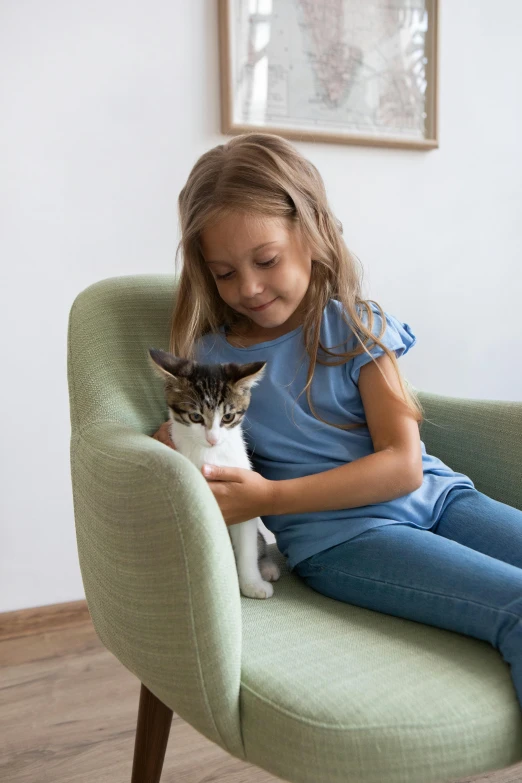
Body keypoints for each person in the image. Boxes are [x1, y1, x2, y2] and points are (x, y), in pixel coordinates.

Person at [152, 132, 522, 712]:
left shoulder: (357, 326)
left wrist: (268, 495)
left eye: (265, 260)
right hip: (343, 542)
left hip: (443, 500)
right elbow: (188, 445)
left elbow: (403, 466)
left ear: (313, 234)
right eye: (224, 273)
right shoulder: (215, 365)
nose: (247, 287)